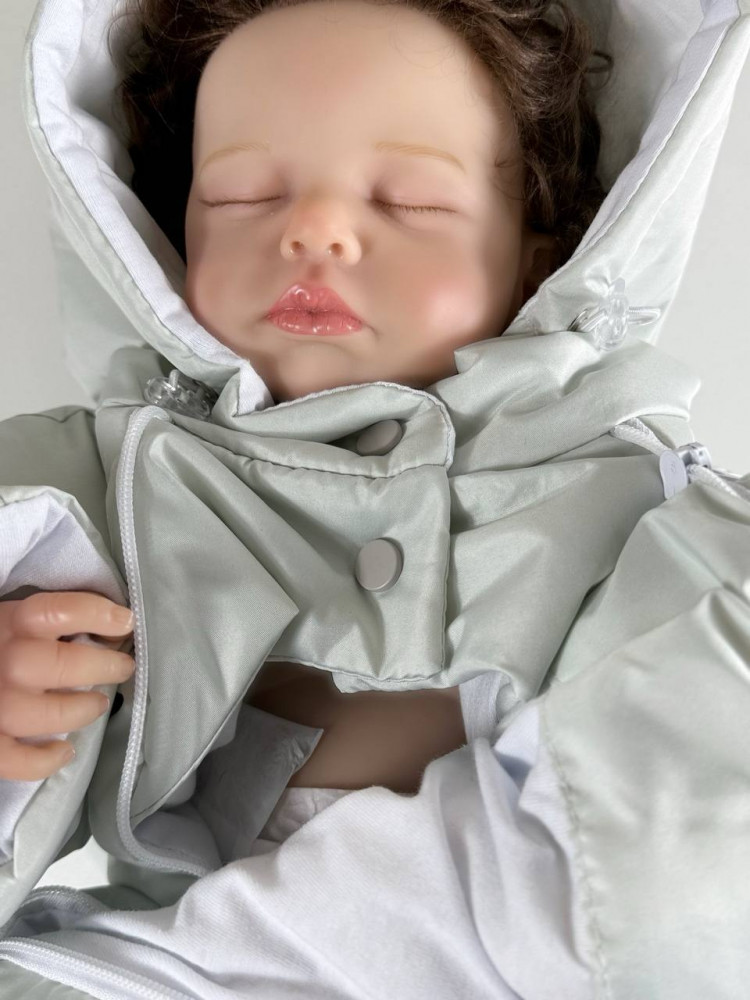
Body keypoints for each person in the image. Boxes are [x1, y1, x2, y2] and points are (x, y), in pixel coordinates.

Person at [0, 0, 749, 995]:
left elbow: (689, 839)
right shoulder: (98, 492)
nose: (312, 230)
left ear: (544, 252)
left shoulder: (636, 507)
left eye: (408, 201)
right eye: (243, 194)